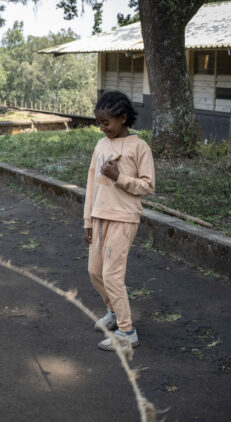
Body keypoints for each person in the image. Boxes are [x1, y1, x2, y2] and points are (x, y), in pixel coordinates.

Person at [83, 90, 155, 351]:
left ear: (123, 118)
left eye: (106, 122)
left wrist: (118, 177)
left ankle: (127, 332)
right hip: (99, 217)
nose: (102, 128)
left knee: (112, 275)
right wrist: (87, 221)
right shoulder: (101, 145)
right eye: (99, 122)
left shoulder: (139, 147)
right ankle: (113, 312)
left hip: (124, 218)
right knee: (94, 271)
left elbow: (147, 186)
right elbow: (91, 183)